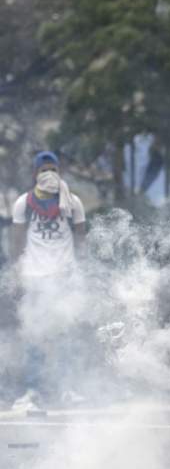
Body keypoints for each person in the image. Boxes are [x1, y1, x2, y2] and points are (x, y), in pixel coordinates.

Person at [9, 151, 87, 409]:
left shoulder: (73, 202)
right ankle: (33, 391)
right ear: (35, 174)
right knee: (34, 336)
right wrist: (17, 275)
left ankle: (68, 389)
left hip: (64, 277)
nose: (48, 174)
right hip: (34, 278)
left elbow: (81, 240)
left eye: (52, 169)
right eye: (44, 170)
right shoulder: (23, 203)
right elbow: (17, 242)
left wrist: (81, 273)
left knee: (66, 334)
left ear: (59, 171)